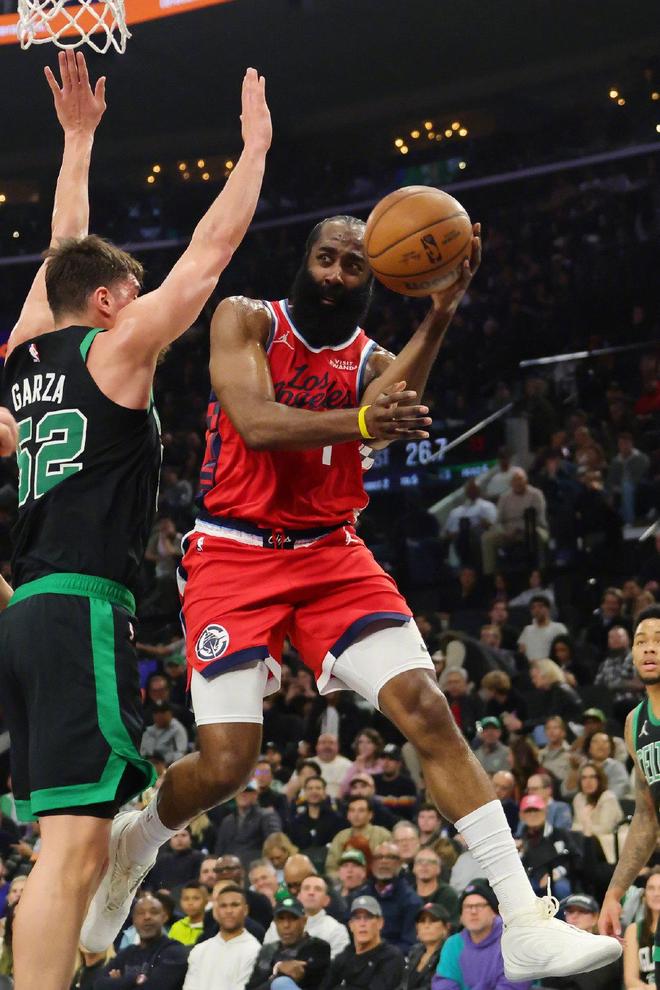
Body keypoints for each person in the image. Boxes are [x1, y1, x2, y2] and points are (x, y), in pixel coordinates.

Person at [91, 212, 618, 981]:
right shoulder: (247, 319)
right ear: (305, 261)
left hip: (332, 553)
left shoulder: (372, 359)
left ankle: (524, 920)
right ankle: (136, 844)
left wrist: (441, 313)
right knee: (229, 762)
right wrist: (366, 418)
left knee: (427, 708)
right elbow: (257, 422)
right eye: (326, 259)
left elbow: (394, 405)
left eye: (353, 267)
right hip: (234, 553)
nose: (336, 275)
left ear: (374, 280)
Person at [0, 51, 271, 990]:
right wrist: (254, 151)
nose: (139, 302)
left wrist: (77, 143)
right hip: (77, 605)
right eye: (130, 292)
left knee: (72, 843)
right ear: (110, 302)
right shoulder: (116, 353)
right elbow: (209, 255)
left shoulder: (25, 353)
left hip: (32, 609)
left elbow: (61, 249)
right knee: (69, 852)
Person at [600, 607, 660, 988]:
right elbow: (646, 817)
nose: (649, 648)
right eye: (641, 642)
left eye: (659, 641)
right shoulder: (635, 723)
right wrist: (615, 892)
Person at [433, 880, 533, 990]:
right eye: (467, 906)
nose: (473, 911)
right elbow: (443, 982)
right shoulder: (453, 944)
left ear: (494, 911)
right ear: (461, 915)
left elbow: (512, 985)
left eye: (479, 905)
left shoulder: (512, 942)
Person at [94, 894, 188, 989]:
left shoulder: (175, 951)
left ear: (164, 917)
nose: (147, 917)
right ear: (134, 920)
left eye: (154, 912)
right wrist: (134, 979)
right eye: (141, 913)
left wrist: (119, 983)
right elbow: (99, 984)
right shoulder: (127, 953)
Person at [183, 883, 261, 990]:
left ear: (245, 910)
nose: (229, 911)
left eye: (235, 905)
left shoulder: (254, 951)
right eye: (223, 906)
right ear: (216, 910)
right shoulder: (200, 949)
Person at [320, 895, 405, 990]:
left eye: (368, 917)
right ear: (351, 925)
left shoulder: (391, 957)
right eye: (357, 918)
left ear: (380, 923)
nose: (362, 923)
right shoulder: (344, 957)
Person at [246, 895, 330, 990]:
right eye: (281, 919)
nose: (286, 925)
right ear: (275, 922)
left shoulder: (318, 947)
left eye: (293, 918)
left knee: (281, 983)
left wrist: (275, 973)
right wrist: (278, 968)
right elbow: (252, 985)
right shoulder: (267, 950)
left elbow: (301, 979)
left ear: (304, 921)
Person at [541, 894, 623, 990]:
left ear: (595, 918)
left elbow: (591, 984)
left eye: (582, 911)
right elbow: (546, 981)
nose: (574, 916)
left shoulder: (606, 945)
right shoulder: (556, 946)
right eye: (570, 911)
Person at [481, 468, 549, 576]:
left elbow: (539, 518)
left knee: (539, 536)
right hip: (508, 533)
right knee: (487, 539)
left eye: (520, 479)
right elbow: (498, 521)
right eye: (515, 480)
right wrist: (504, 532)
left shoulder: (536, 494)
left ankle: (541, 572)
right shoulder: (504, 497)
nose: (518, 483)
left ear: (526, 480)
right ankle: (491, 576)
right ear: (511, 483)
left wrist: (521, 529)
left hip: (531, 529)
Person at [364, 841, 423, 953]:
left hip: (393, 958)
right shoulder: (361, 895)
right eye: (379, 857)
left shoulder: (411, 901)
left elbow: (410, 943)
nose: (384, 861)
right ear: (372, 863)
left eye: (390, 857)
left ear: (399, 863)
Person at [214, 782, 282, 866]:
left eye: (248, 791)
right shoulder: (227, 821)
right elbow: (219, 850)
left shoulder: (266, 816)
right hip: (229, 868)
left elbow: (274, 843)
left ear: (255, 795)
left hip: (256, 867)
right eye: (240, 791)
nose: (243, 794)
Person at [325, 797, 391, 877]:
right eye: (352, 810)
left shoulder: (383, 835)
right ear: (348, 815)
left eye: (361, 811)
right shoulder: (340, 837)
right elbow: (331, 868)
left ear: (370, 815)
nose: (356, 815)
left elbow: (390, 864)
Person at [214, 854, 274, 932]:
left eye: (229, 869)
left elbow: (262, 932)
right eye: (219, 870)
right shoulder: (211, 909)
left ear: (242, 871)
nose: (224, 872)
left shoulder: (259, 901)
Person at [623, 870, 660, 988]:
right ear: (644, 895)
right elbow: (630, 980)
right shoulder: (634, 930)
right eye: (651, 888)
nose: (656, 893)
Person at [287, 776, 344, 851]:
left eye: (318, 788)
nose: (314, 791)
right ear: (305, 792)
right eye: (310, 788)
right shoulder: (296, 822)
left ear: (324, 791)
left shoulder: (337, 820)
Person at [571, 763, 624, 842]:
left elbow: (605, 829)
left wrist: (586, 827)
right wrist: (586, 828)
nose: (588, 782)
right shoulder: (579, 798)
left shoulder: (608, 797)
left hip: (610, 842)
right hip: (587, 840)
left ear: (600, 780)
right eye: (584, 778)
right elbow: (574, 827)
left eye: (592, 777)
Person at [403, 903, 450, 990]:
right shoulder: (415, 951)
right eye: (422, 921)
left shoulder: (449, 954)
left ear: (446, 927)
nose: (426, 926)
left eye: (433, 920)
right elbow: (403, 985)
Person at [412, 849, 460, 925]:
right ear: (414, 868)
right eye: (420, 861)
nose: (424, 865)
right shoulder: (407, 895)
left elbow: (453, 925)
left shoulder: (448, 895)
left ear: (438, 869)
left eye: (431, 862)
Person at [517, 596, 568, 662]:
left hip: (551, 664)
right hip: (531, 665)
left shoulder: (559, 628)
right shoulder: (527, 629)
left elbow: (565, 649)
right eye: (533, 608)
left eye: (540, 607)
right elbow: (521, 651)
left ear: (548, 609)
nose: (537, 610)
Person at [374, 744, 418, 819]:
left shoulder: (408, 784)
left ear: (399, 763)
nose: (386, 762)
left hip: (399, 821)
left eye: (391, 759)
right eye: (383, 758)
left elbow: (410, 810)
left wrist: (388, 801)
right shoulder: (373, 780)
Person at [140, 700, 188, 766]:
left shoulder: (177, 729)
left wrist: (166, 765)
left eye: (163, 712)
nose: (159, 715)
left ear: (170, 713)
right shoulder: (149, 731)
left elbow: (181, 753)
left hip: (171, 766)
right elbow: (143, 754)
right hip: (152, 766)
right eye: (156, 713)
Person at [313, 734, 353, 800]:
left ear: (338, 747)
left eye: (331, 743)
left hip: (338, 803)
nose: (327, 746)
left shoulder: (348, 766)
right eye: (323, 743)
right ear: (316, 747)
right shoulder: (307, 764)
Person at [169, 880, 208, 947]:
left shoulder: (212, 928)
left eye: (196, 898)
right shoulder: (176, 927)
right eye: (186, 899)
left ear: (206, 901)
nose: (190, 903)